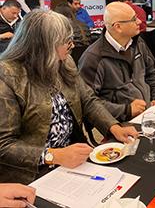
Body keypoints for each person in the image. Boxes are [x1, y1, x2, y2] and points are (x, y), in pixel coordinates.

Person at [0, 10, 138, 184]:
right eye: (66, 41)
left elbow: (88, 100)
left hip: (72, 159)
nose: (72, 45)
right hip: (32, 174)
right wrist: (53, 155)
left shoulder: (64, 62)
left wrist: (113, 127)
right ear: (43, 45)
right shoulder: (7, 76)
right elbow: (4, 145)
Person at [78, 2, 155, 122]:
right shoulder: (94, 58)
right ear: (118, 27)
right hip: (119, 123)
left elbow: (153, 72)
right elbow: (88, 102)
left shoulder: (138, 43)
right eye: (134, 19)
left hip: (148, 114)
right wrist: (126, 110)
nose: (139, 22)